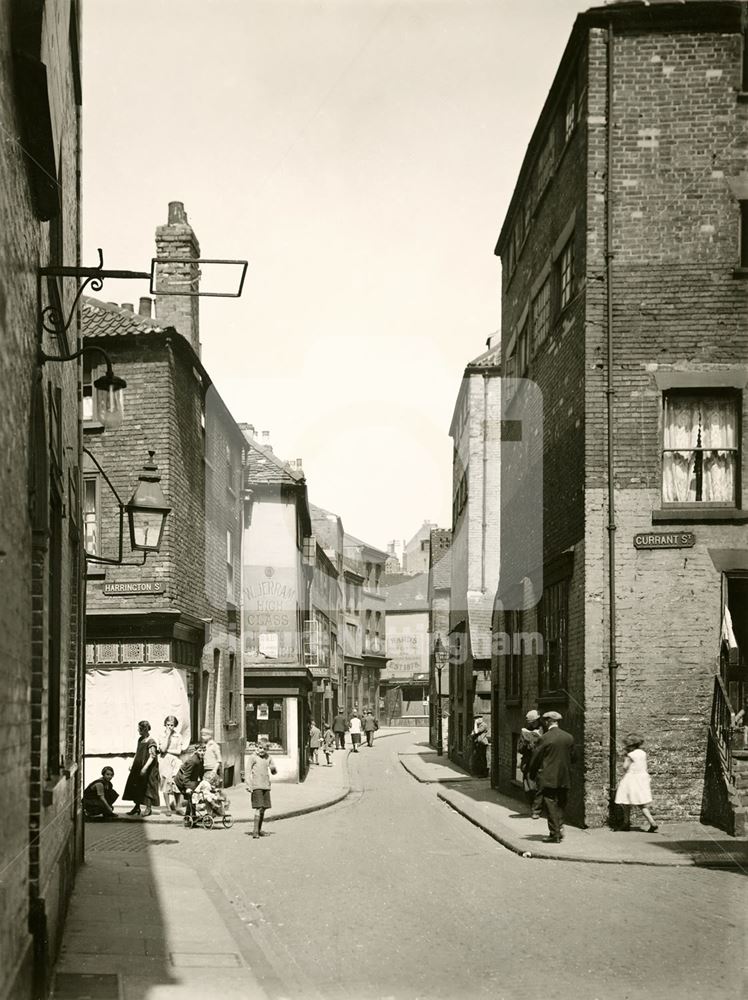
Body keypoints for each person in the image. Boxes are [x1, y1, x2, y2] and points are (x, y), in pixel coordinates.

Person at [528, 711, 575, 843]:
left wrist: (532, 774)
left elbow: (536, 759)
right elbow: (574, 758)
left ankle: (555, 835)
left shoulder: (545, 738)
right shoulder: (569, 737)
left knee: (551, 805)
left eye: (545, 721)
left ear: (548, 721)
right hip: (565, 777)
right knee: (561, 804)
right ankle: (559, 828)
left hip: (549, 778)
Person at [615, 733, 658, 833]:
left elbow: (625, 768)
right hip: (642, 779)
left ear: (632, 745)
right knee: (641, 802)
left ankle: (626, 823)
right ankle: (652, 822)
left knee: (626, 801)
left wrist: (626, 757)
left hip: (631, 779)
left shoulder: (630, 755)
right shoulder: (642, 753)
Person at [122, 720, 160, 817]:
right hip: (138, 766)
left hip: (148, 768)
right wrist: (132, 763)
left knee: (148, 786)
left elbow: (152, 756)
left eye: (140, 729)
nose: (138, 730)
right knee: (137, 786)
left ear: (144, 729)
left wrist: (145, 768)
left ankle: (148, 808)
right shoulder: (140, 739)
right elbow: (137, 752)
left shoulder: (151, 741)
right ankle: (137, 807)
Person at [246, 740, 277, 839]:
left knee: (263, 808)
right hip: (256, 786)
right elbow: (247, 772)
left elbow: (273, 771)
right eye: (260, 748)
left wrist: (273, 769)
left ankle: (259, 830)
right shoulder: (253, 757)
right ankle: (255, 831)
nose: (262, 750)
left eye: (264, 749)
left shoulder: (268, 757)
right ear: (256, 747)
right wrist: (248, 784)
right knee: (258, 808)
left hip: (266, 786)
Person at [518, 709, 543, 818]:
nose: (532, 724)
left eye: (534, 722)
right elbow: (519, 748)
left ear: (538, 720)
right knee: (528, 788)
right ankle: (533, 806)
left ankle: (536, 810)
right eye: (530, 723)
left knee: (540, 787)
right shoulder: (525, 731)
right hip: (529, 762)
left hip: (541, 762)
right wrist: (526, 745)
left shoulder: (543, 729)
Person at [158, 715, 184, 813]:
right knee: (165, 784)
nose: (170, 727)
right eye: (168, 725)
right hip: (165, 762)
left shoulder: (178, 736)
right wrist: (168, 736)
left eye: (172, 725)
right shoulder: (161, 735)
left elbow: (179, 751)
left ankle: (177, 807)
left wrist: (167, 751)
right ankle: (168, 807)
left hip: (175, 761)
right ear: (165, 724)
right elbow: (162, 749)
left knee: (176, 784)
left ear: (175, 726)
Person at [174, 744, 205, 820]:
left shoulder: (201, 759)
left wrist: (202, 781)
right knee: (192, 794)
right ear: (196, 751)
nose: (202, 752)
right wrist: (187, 788)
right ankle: (191, 816)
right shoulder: (192, 761)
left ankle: (188, 816)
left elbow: (201, 772)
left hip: (190, 779)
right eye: (200, 751)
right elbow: (186, 776)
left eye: (204, 751)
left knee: (192, 795)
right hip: (181, 779)